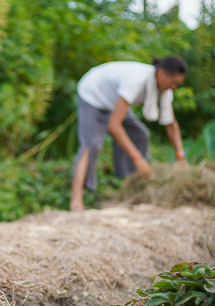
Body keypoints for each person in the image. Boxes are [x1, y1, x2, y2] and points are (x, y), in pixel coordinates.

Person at [70, 56, 187, 212]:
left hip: (113, 101)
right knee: (90, 145)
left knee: (140, 134)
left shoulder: (164, 90)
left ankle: (132, 186)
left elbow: (171, 124)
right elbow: (114, 125)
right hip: (93, 94)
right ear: (161, 74)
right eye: (174, 82)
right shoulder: (136, 81)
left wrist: (180, 155)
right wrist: (137, 158)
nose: (175, 87)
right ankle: (76, 201)